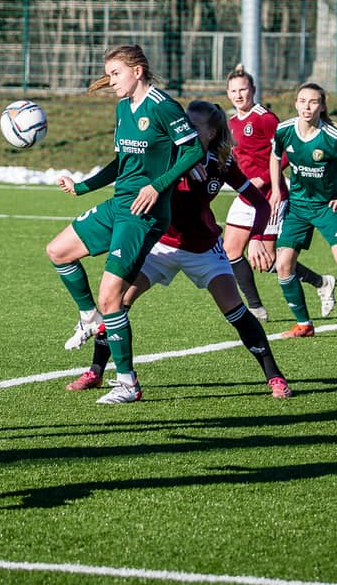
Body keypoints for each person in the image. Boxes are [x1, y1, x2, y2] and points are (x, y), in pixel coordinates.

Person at [66, 100, 292, 398]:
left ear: (211, 133)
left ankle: (275, 377)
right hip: (161, 246)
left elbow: (260, 204)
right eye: (184, 123)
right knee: (116, 302)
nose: (185, 129)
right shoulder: (167, 153)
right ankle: (96, 371)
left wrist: (260, 237)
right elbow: (127, 168)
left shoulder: (221, 164)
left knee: (235, 310)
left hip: (203, 249)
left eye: (194, 126)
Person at [47, 44, 205, 404]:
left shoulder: (163, 106)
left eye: (115, 73)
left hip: (145, 212)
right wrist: (82, 187)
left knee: (111, 297)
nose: (110, 81)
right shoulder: (123, 108)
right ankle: (88, 317)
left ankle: (127, 383)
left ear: (138, 70)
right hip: (120, 203)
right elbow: (121, 163)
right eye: (108, 74)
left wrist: (157, 186)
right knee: (58, 251)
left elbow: (194, 150)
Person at [223, 64, 337, 322]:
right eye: (233, 91)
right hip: (246, 196)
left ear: (253, 90)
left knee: (266, 260)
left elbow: (286, 153)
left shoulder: (265, 118)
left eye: (243, 89)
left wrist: (263, 179)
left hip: (269, 198)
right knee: (230, 251)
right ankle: (255, 308)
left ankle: (321, 282)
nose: (238, 95)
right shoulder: (231, 123)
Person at [268, 83, 337, 337]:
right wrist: (276, 189)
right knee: (283, 266)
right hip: (298, 208)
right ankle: (304, 325)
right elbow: (275, 157)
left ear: (322, 106)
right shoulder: (284, 130)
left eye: (313, 102)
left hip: (328, 207)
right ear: (295, 103)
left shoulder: (332, 137)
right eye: (302, 101)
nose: (307, 107)